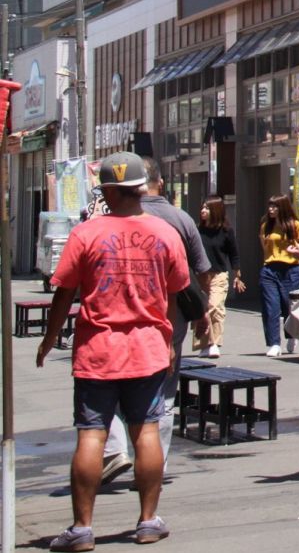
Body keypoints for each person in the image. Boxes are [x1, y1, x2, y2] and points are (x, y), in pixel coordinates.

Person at [37, 152, 188, 550]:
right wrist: (167, 336)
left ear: (105, 190)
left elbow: (63, 292)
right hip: (148, 349)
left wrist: (50, 337)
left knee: (91, 435)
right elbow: (174, 292)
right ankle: (148, 521)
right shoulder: (165, 233)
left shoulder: (85, 234)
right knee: (146, 432)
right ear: (141, 188)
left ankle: (82, 528)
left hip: (97, 350)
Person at [102, 159, 209, 486]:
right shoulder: (180, 220)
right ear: (159, 183)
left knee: (109, 389)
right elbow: (201, 272)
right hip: (169, 320)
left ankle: (117, 448)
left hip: (116, 317)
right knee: (162, 397)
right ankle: (153, 468)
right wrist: (203, 313)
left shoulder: (107, 220)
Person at [192, 198, 244, 358]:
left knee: (215, 307)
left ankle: (214, 343)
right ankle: (204, 344)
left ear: (215, 210)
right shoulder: (197, 230)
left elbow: (234, 254)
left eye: (207, 208)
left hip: (219, 274)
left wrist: (237, 275)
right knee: (201, 309)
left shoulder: (226, 231)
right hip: (200, 275)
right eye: (202, 207)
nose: (203, 211)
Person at [259, 195, 299, 357]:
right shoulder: (266, 226)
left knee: (290, 307)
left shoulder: (296, 226)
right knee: (270, 307)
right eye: (270, 206)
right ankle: (274, 343)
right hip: (270, 269)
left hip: (291, 269)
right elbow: (264, 248)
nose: (271, 210)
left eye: (275, 206)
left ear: (283, 207)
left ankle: (291, 335)